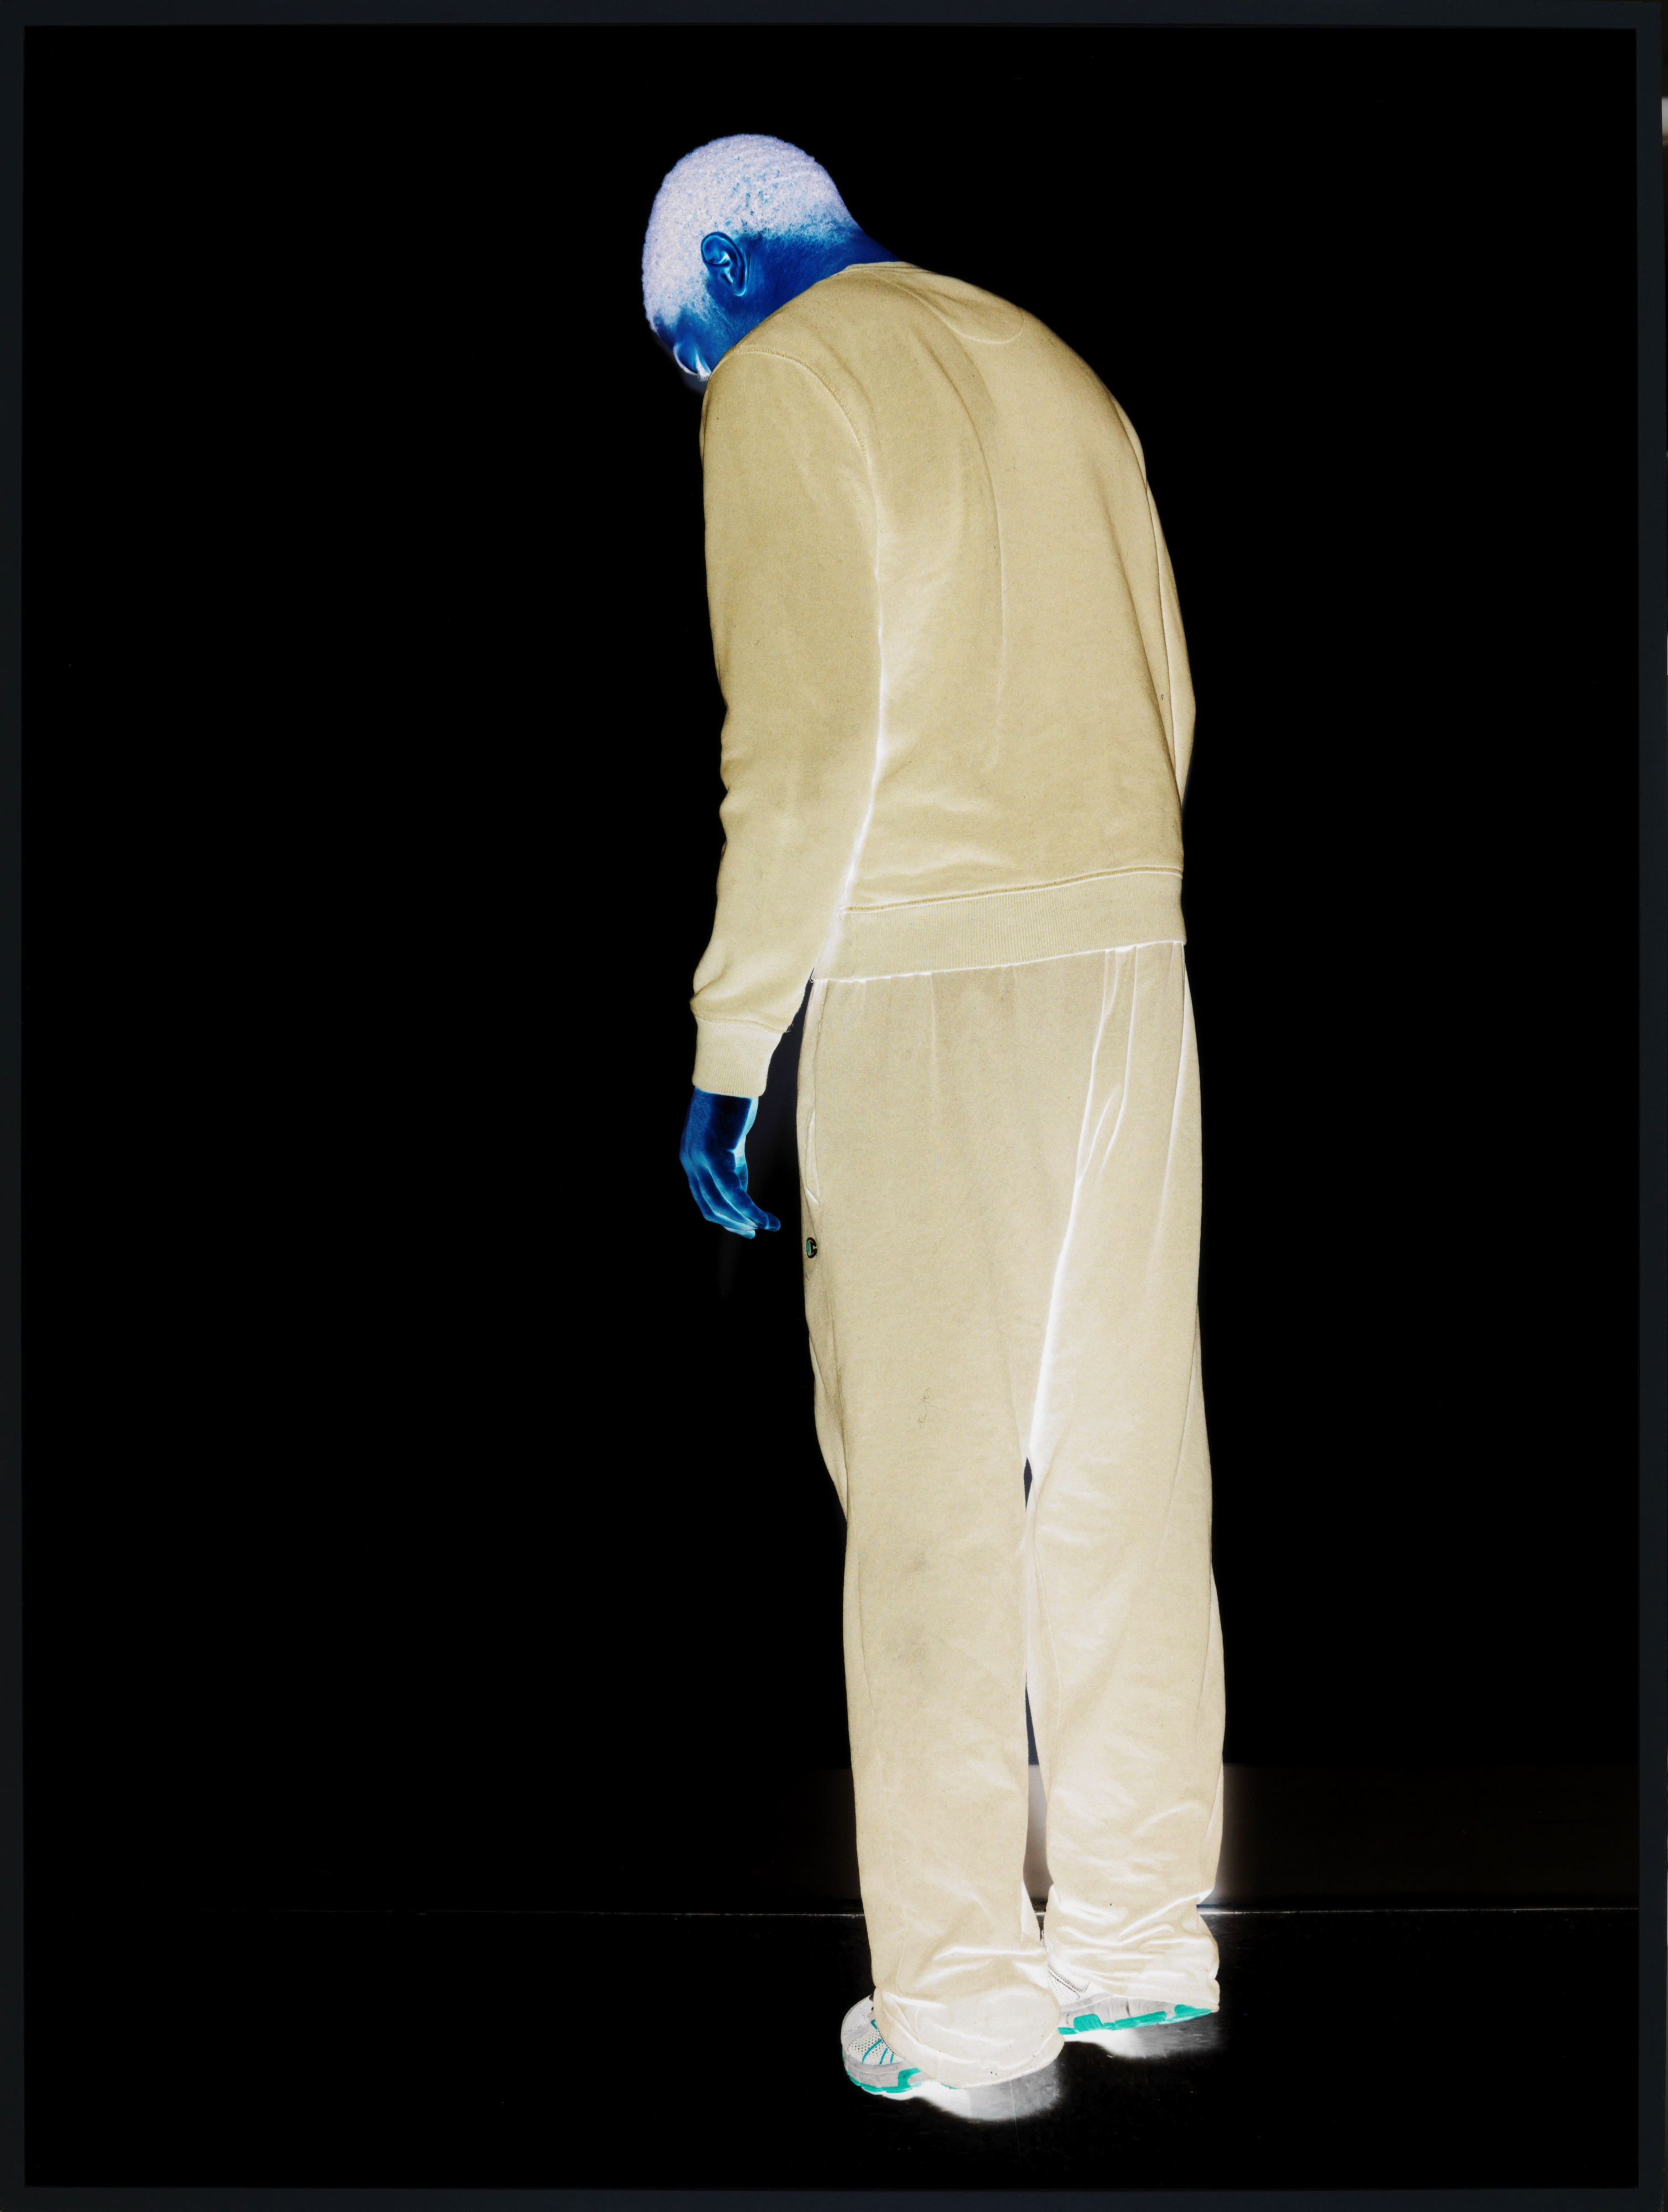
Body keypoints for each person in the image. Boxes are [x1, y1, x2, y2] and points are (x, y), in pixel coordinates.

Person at [643, 134, 1225, 2102]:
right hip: (1131, 959)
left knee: (929, 1497)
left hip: (926, 976)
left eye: (682, 341)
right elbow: (1170, 692)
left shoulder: (788, 376)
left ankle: (969, 2008)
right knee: (1129, 1469)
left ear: (734, 263)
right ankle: (1139, 1946)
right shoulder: (1055, 362)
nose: (695, 381)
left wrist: (736, 1040)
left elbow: (803, 741)